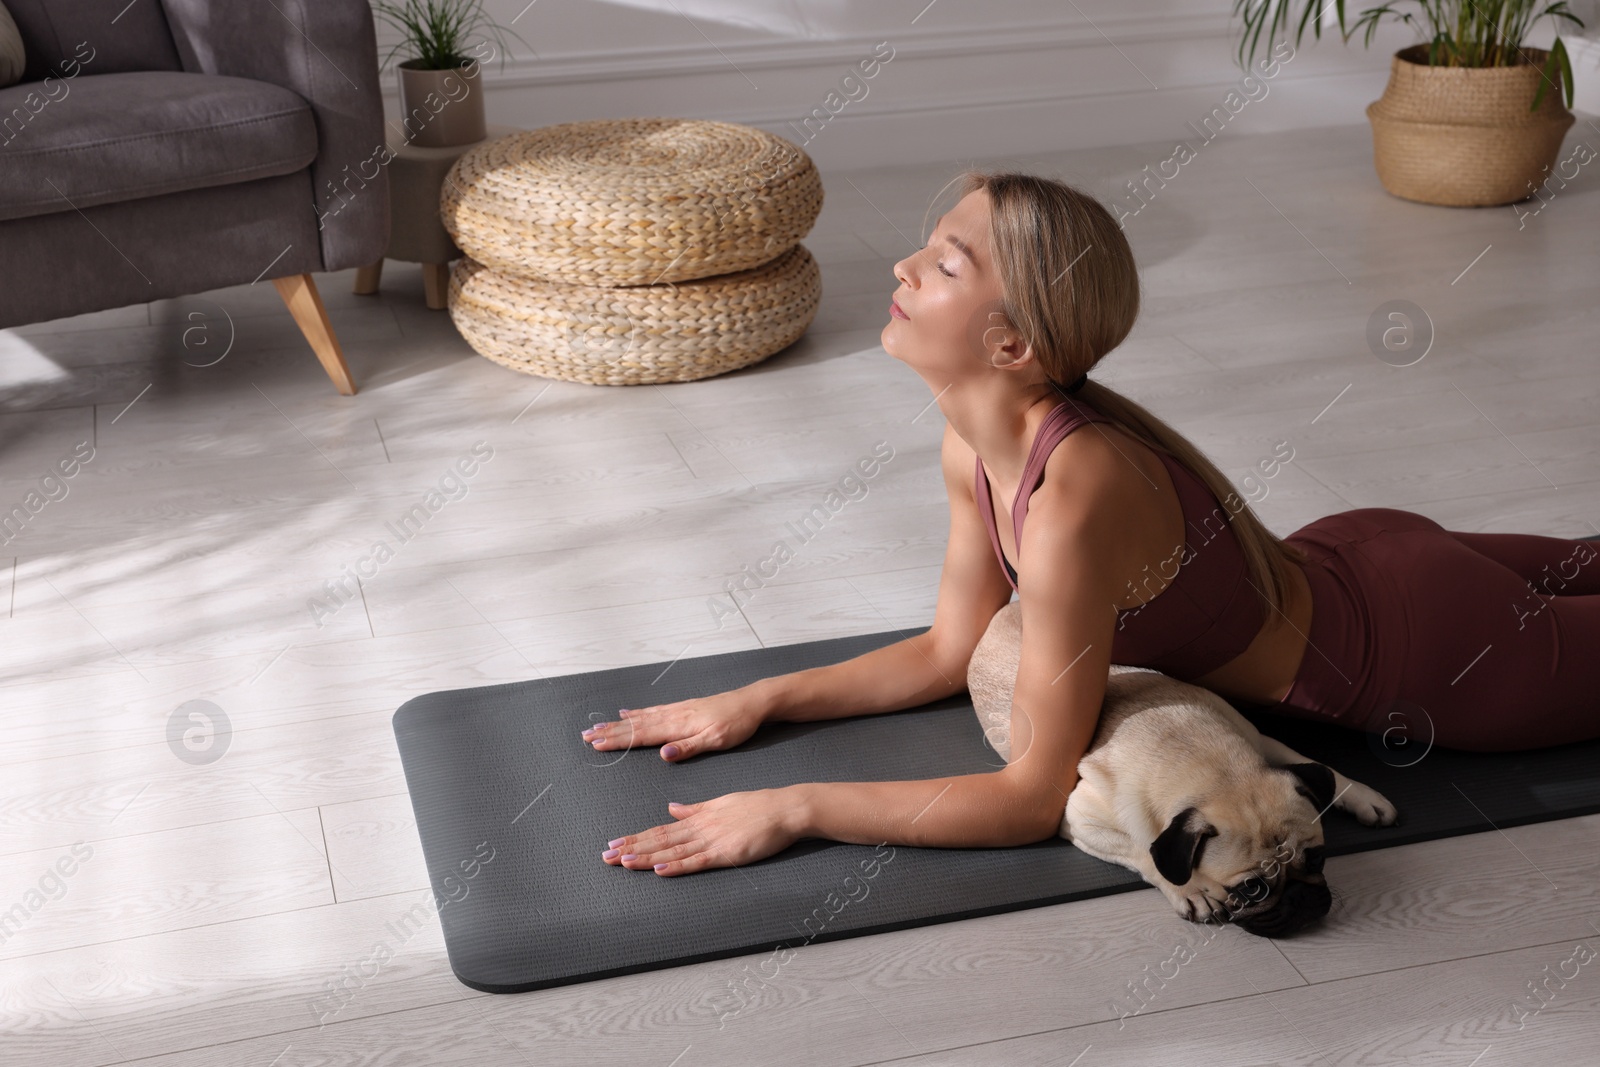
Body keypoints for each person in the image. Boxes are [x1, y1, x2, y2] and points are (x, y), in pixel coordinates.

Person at [584, 171, 1600, 877]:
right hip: (1363, 556)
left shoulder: (1074, 492)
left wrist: (794, 805)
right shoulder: (974, 445)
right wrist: (759, 698)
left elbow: (1030, 795)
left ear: (1014, 339)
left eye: (943, 263)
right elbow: (949, 647)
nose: (900, 265)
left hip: (1439, 653)